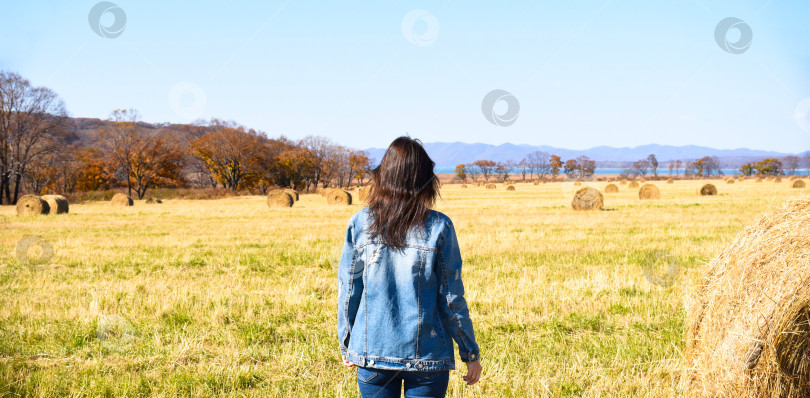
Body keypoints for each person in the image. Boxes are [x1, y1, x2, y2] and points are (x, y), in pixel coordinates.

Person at [337, 136, 482, 398]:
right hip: (428, 356)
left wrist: (347, 342)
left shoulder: (359, 223)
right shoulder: (440, 226)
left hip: (372, 353)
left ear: (382, 175)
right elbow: (451, 297)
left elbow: (348, 290)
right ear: (426, 179)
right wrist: (469, 351)